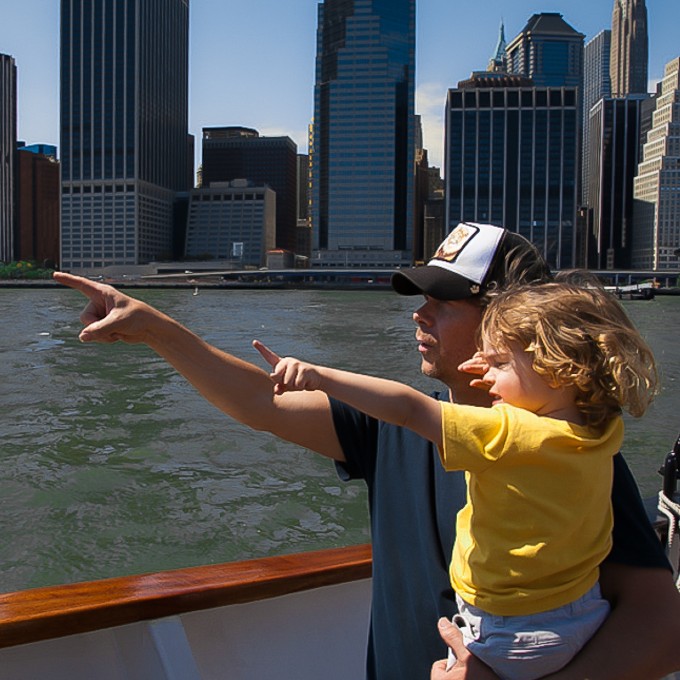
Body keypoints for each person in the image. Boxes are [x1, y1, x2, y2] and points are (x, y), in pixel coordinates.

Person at [53, 222, 680, 680]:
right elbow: (261, 403)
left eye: (442, 300)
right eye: (420, 299)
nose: (419, 315)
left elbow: (660, 625)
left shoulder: (573, 457)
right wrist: (158, 329)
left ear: (508, 322)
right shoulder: (397, 426)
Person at [253, 279, 658, 679]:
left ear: (557, 368)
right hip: (580, 617)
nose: (486, 374)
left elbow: (409, 409)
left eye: (498, 363)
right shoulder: (600, 431)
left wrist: (320, 376)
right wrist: (512, 371)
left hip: (508, 634)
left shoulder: (505, 435)